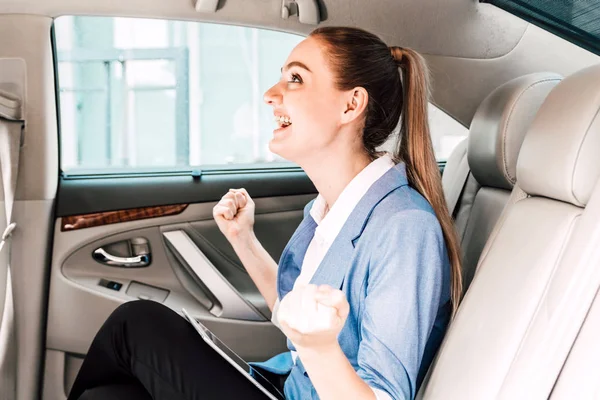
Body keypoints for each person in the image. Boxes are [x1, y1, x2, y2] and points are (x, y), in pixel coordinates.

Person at [67, 26, 462, 400]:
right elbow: (296, 313)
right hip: (280, 386)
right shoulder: (333, 209)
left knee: (137, 325)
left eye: (295, 79)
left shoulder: (404, 228)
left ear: (351, 104)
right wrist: (243, 239)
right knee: (111, 395)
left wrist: (317, 347)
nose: (271, 95)